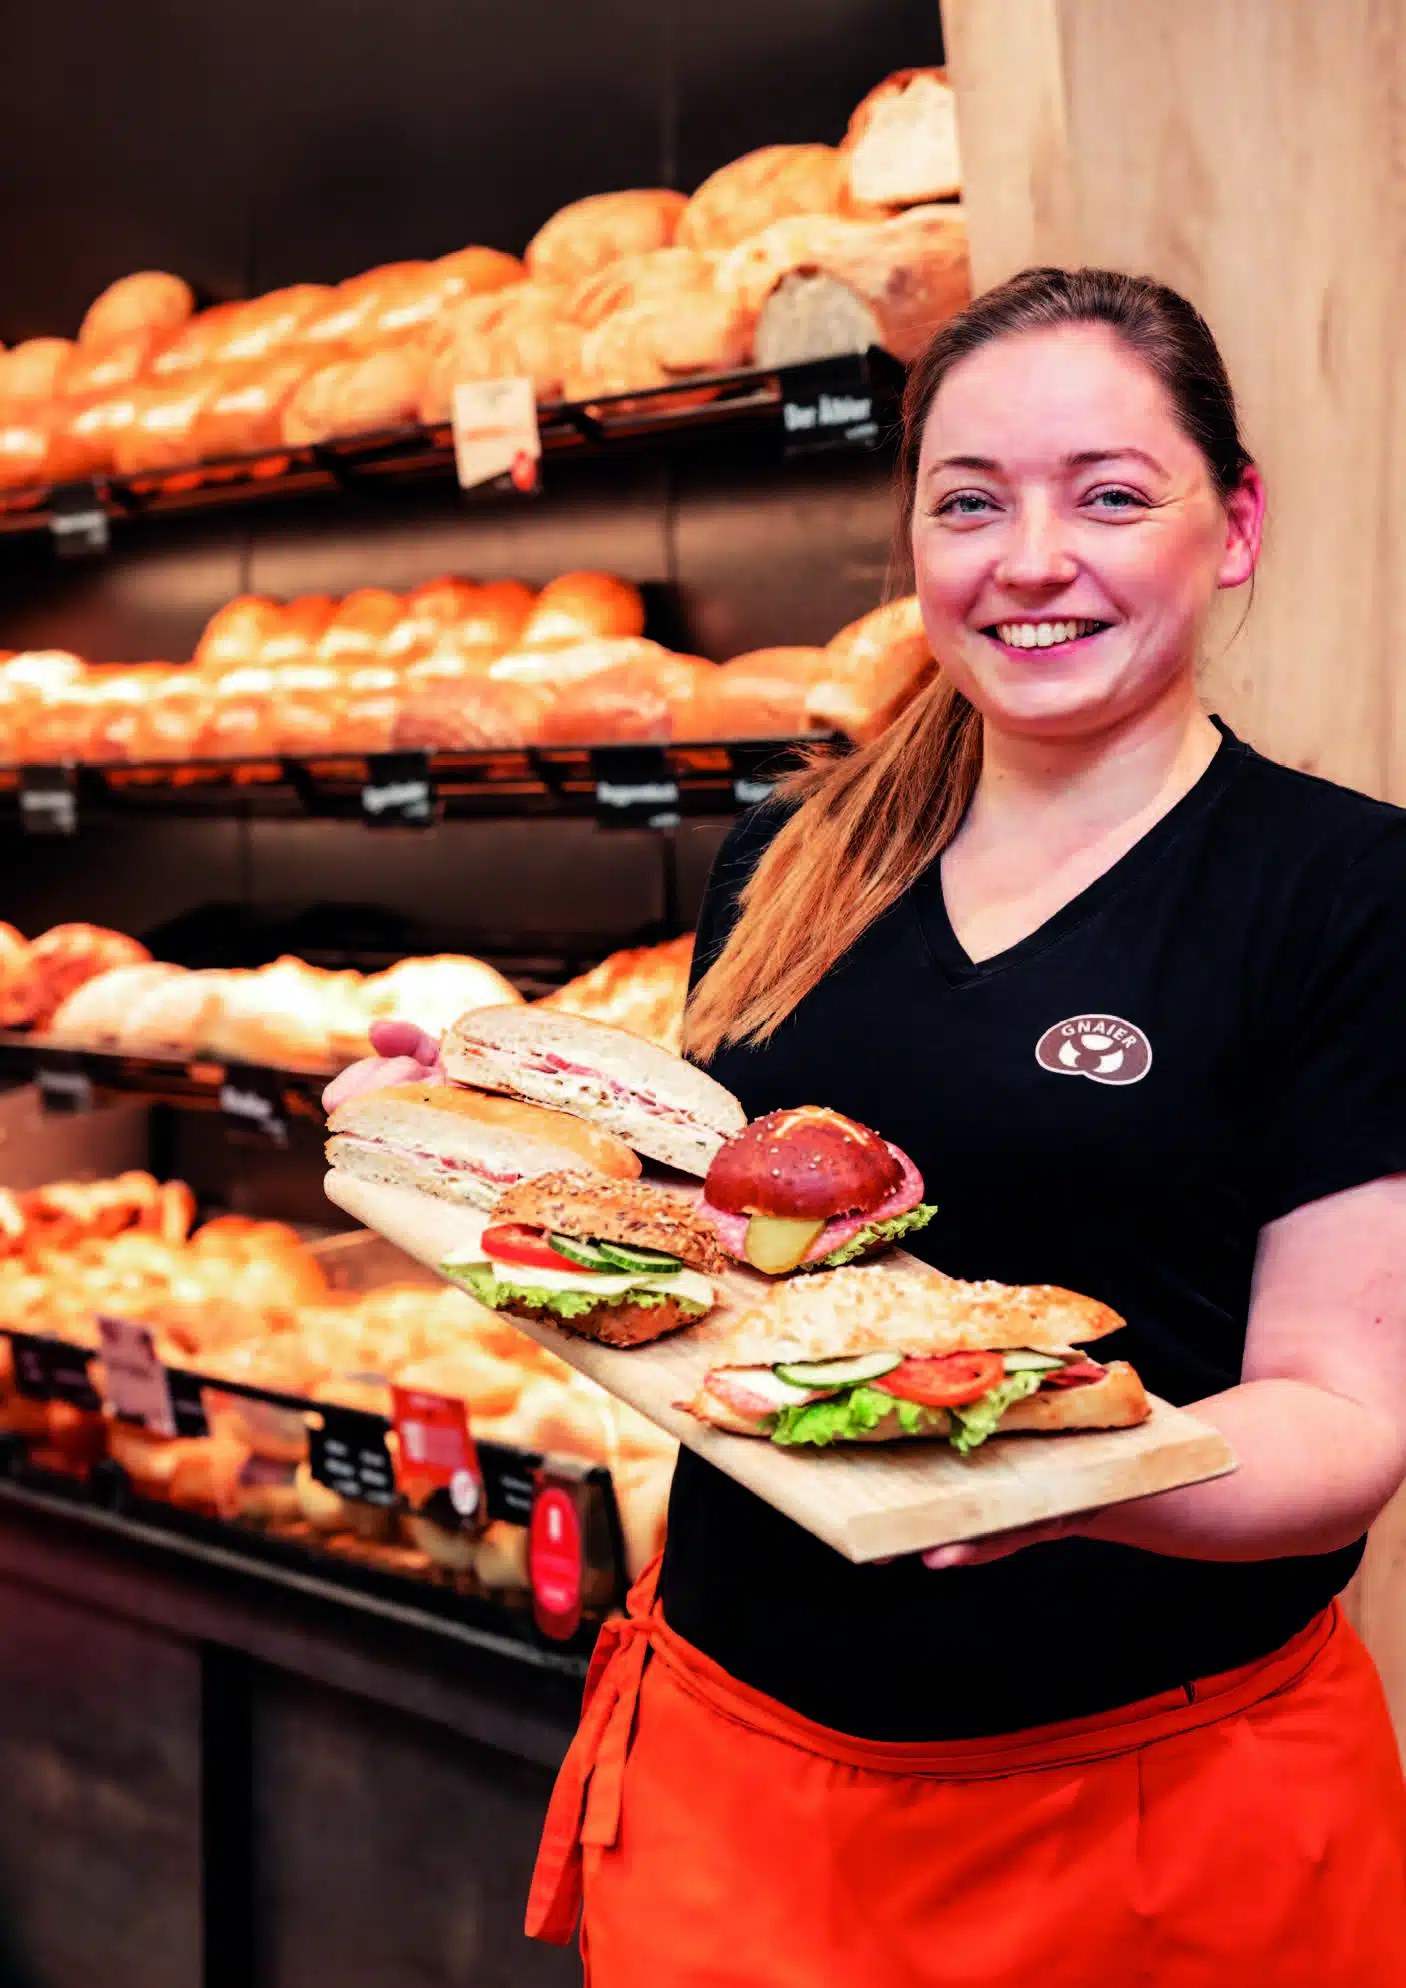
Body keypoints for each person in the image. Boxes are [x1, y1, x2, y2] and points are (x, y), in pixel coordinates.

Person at [326, 268, 1406, 1986]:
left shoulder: (1345, 892)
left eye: (1108, 495)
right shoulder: (790, 855)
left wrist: (1066, 1478)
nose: (1029, 559)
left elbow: (1345, 1426)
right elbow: (730, 1267)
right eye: (967, 502)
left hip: (1147, 1836)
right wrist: (481, 1142)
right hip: (735, 1787)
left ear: (1234, 523)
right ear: (911, 539)